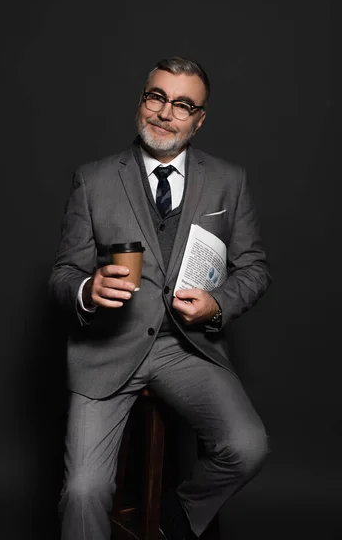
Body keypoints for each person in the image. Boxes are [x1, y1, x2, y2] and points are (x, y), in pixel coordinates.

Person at [49, 56, 272, 540]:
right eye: (156, 97)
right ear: (141, 101)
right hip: (106, 348)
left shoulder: (229, 181)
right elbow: (63, 273)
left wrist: (218, 305)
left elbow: (254, 268)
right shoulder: (94, 179)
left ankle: (176, 516)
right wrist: (87, 290)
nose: (165, 112)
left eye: (183, 104)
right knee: (84, 492)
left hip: (186, 347)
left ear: (199, 118)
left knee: (248, 446)